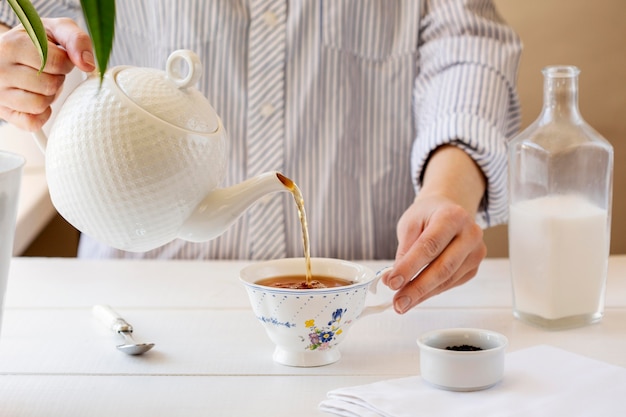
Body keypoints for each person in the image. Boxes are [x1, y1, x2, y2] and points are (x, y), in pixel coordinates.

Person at [0, 1, 522, 314]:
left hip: (375, 304)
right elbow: (18, 17)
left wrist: (447, 191)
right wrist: (14, 57)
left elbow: (465, 44)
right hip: (137, 307)